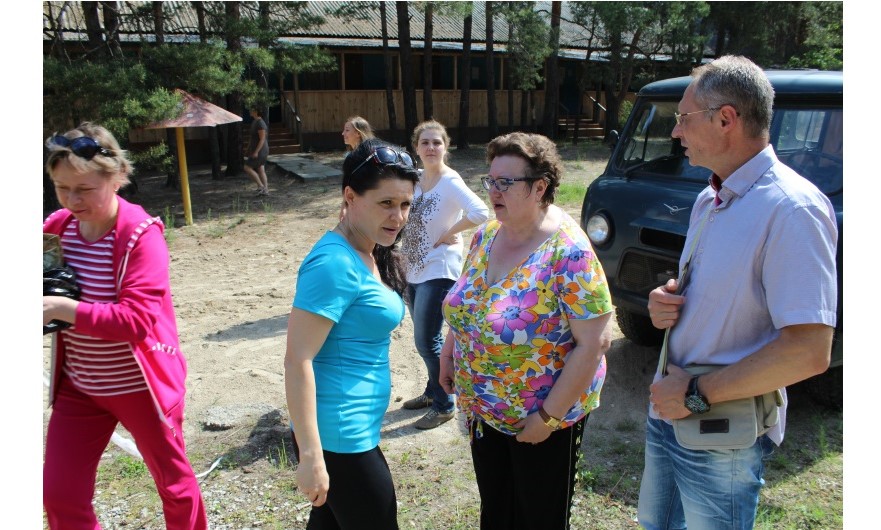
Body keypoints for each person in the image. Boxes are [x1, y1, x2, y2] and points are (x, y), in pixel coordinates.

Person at [637, 56, 838, 530]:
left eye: (683, 118)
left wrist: (694, 396)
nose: (676, 132)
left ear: (726, 119)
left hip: (718, 430)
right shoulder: (710, 196)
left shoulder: (793, 209)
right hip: (671, 411)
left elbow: (809, 351)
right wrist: (666, 301)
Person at [440, 132, 614, 529]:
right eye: (490, 180)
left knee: (538, 519)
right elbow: (470, 303)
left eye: (506, 182)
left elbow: (594, 344)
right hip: (484, 409)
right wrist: (450, 352)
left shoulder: (568, 253)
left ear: (539, 187)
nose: (493, 191)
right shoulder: (487, 235)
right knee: (496, 511)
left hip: (542, 420)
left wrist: (548, 419)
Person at [42, 122, 208, 529]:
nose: (72, 200)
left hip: (142, 389)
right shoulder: (58, 229)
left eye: (84, 189)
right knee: (60, 494)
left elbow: (136, 321)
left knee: (174, 485)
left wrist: (62, 308)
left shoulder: (140, 235)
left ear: (117, 177)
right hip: (81, 387)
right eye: (62, 188)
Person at [284, 138, 419, 529]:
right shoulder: (333, 263)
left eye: (405, 204)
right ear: (350, 196)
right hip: (340, 435)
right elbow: (297, 359)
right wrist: (311, 456)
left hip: (350, 430)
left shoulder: (368, 249)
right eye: (386, 203)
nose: (398, 216)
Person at [400, 120, 488, 430]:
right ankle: (432, 391)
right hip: (412, 267)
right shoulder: (415, 179)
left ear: (445, 147)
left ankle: (444, 404)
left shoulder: (450, 181)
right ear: (416, 148)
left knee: (426, 341)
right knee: (427, 338)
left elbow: (480, 212)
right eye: (425, 142)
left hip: (439, 269)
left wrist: (452, 231)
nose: (431, 147)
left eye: (437, 142)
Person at [244, 107, 270, 195]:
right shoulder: (255, 122)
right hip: (256, 149)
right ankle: (265, 190)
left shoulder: (260, 123)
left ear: (256, 111)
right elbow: (252, 138)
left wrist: (256, 152)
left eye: (251, 110)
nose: (250, 111)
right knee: (260, 169)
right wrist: (248, 149)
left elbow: (262, 139)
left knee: (247, 167)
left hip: (261, 150)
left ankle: (261, 186)